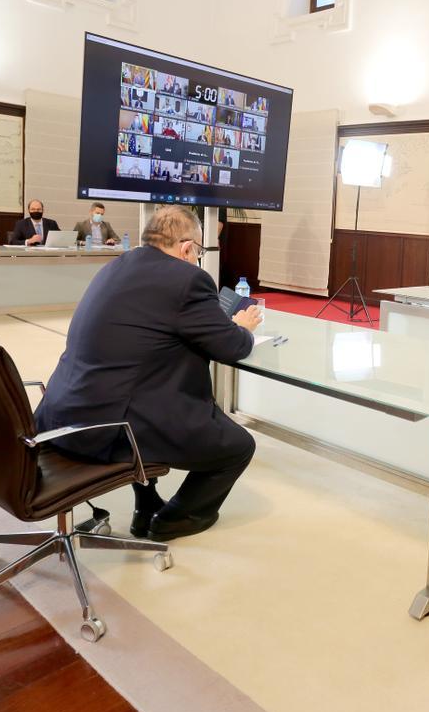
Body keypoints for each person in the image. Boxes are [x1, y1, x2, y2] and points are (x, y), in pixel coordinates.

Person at [35, 206, 262, 541]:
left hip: (61, 414)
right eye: (198, 252)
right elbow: (233, 348)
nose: (197, 259)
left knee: (149, 390)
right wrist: (241, 328)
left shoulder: (116, 265)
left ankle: (147, 504)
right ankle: (175, 519)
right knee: (239, 445)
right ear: (187, 249)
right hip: (110, 428)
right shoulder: (188, 279)